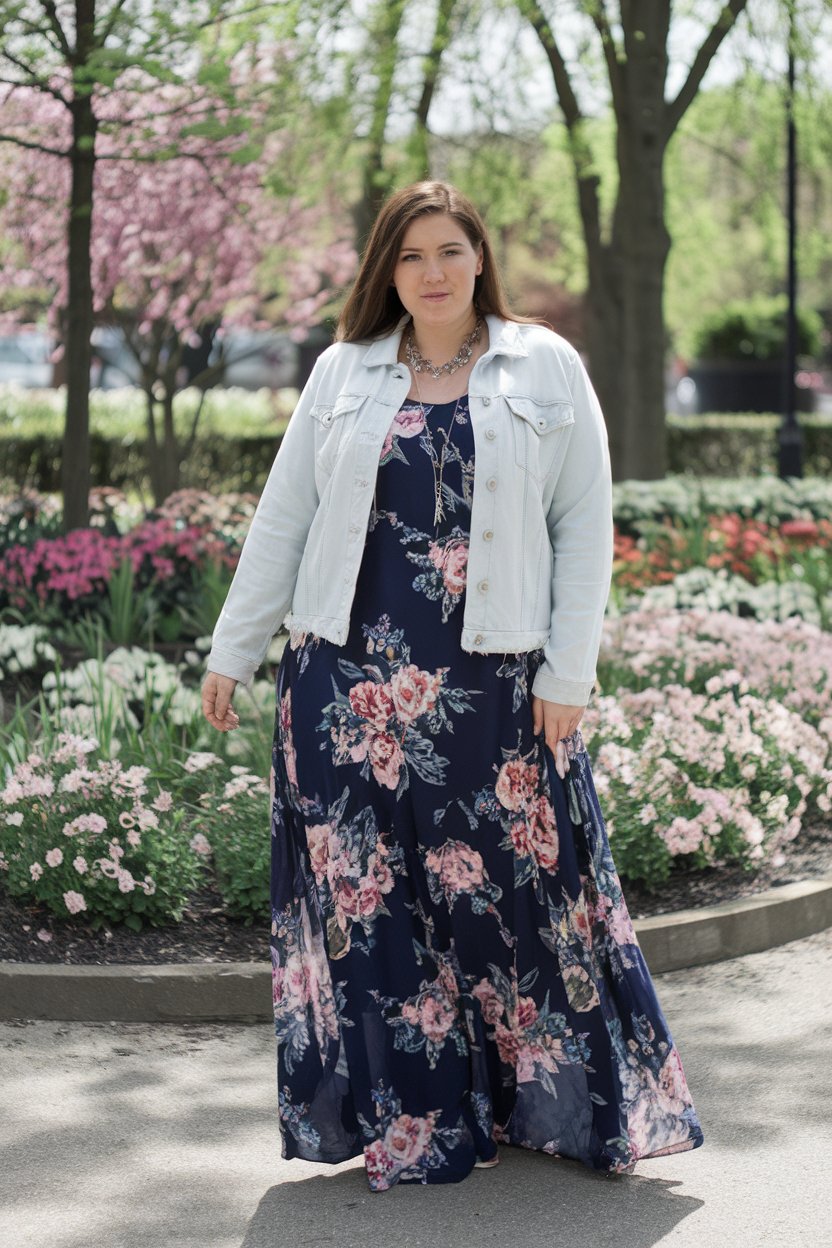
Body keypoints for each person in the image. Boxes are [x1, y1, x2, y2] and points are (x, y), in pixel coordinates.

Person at [201, 181, 704, 1192]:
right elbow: (283, 517)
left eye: (449, 251)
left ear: (480, 258)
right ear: (386, 271)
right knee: (371, 905)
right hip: (343, 682)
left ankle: (552, 1101)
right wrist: (233, 647)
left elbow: (582, 529)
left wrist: (569, 670)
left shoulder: (544, 366)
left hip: (493, 680)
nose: (431, 272)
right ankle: (417, 1120)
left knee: (524, 894)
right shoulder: (343, 370)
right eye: (410, 256)